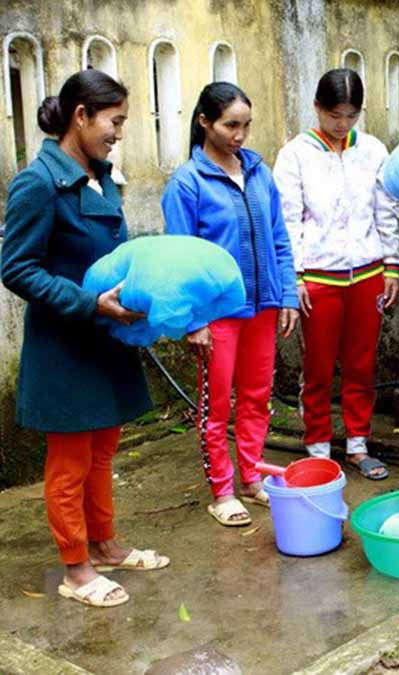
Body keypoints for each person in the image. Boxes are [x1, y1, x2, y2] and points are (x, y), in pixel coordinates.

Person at [1, 70, 168, 607]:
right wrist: (85, 301)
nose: (119, 132)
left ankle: (106, 546)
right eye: (114, 121)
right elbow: (16, 267)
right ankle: (75, 570)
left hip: (107, 336)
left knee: (102, 452)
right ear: (81, 116)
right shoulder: (39, 183)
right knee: (69, 463)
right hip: (67, 343)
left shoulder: (101, 176)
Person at [162, 82, 300, 527]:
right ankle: (222, 491)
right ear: (205, 122)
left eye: (246, 126)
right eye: (230, 125)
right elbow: (179, 258)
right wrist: (194, 319)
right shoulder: (187, 183)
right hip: (217, 315)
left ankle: (252, 477)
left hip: (262, 306)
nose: (240, 135)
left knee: (258, 399)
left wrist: (287, 295)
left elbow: (280, 238)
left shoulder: (259, 172)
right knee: (216, 405)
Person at [272, 69, 399, 480]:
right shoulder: (295, 155)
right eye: (334, 115)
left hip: (367, 274)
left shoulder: (374, 150)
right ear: (317, 108)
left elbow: (386, 210)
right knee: (318, 367)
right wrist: (293, 279)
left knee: (362, 364)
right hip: (318, 279)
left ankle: (358, 445)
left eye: (350, 115)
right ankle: (318, 448)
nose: (342, 124)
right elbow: (288, 221)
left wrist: (392, 265)